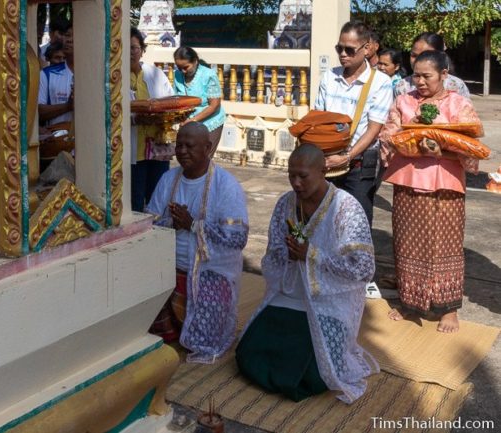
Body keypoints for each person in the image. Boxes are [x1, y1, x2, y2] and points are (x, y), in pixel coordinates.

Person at [236, 144, 377, 404]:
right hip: (290, 291)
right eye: (291, 175)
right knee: (249, 351)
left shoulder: (346, 208)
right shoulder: (285, 203)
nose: (296, 183)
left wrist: (311, 255)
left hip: (329, 298)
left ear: (324, 171)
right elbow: (272, 255)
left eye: (303, 176)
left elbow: (364, 268)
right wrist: (287, 255)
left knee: (307, 368)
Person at [379, 50, 482, 333]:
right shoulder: (404, 101)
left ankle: (447, 309)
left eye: (427, 76)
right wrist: (410, 144)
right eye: (416, 75)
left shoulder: (458, 104)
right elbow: (388, 136)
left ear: (444, 75)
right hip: (408, 181)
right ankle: (409, 302)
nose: (421, 82)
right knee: (407, 242)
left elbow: (471, 145)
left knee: (445, 245)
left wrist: (442, 149)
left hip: (445, 184)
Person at [146, 122, 248, 364]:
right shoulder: (168, 179)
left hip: (209, 272)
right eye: (178, 145)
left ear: (208, 148)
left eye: (189, 146)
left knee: (205, 341)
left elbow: (237, 239)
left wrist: (193, 224)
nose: (181, 151)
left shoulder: (226, 186)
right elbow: (149, 222)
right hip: (168, 267)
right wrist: (172, 220)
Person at [314, 20, 393, 227]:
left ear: (366, 49)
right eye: (339, 48)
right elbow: (318, 118)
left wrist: (346, 156)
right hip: (327, 161)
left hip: (358, 165)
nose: (343, 54)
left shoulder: (380, 82)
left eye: (349, 50)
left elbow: (374, 129)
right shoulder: (329, 77)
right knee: (322, 221)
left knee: (356, 225)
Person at [130, 27, 174, 212]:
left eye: (135, 47)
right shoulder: (113, 77)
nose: (131, 52)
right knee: (135, 201)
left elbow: (170, 100)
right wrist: (136, 119)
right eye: (126, 48)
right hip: (133, 151)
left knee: (158, 198)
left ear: (142, 50)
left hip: (157, 148)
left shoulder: (155, 73)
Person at [172, 46, 226, 155]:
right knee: (187, 157)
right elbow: (176, 100)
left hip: (210, 122)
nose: (182, 71)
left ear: (195, 61)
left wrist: (192, 120)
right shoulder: (177, 75)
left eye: (186, 67)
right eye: (179, 67)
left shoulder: (208, 74)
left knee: (203, 159)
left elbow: (214, 106)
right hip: (187, 122)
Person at [394, 32, 470, 99]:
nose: (418, 60)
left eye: (425, 55)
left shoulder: (456, 85)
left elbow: (467, 113)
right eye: (414, 55)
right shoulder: (401, 87)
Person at [38, 32, 74, 126]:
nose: (69, 40)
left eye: (75, 35)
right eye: (68, 35)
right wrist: (68, 106)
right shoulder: (47, 74)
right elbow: (39, 112)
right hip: (57, 138)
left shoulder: (95, 75)